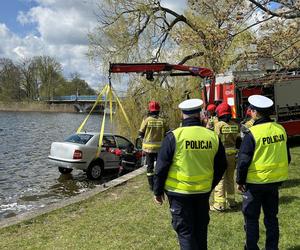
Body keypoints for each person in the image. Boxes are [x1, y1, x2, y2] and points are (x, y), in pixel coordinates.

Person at [153, 98, 227, 250]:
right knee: (201, 233)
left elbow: (161, 168)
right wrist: (210, 184)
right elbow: (222, 166)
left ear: (182, 114)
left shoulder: (174, 136)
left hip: (179, 194)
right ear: (200, 114)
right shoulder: (212, 136)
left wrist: (157, 191)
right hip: (202, 193)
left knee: (185, 233)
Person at [236, 95, 291, 250]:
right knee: (272, 218)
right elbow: (287, 156)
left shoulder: (252, 133)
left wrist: (240, 181)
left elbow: (243, 162)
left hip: (254, 184)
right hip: (274, 183)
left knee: (251, 219)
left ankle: (252, 248)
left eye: (251, 110)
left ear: (255, 112)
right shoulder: (280, 129)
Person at [211, 102, 241, 211]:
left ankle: (219, 205)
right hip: (232, 156)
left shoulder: (219, 125)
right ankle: (231, 202)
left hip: (221, 156)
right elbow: (238, 141)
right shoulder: (235, 125)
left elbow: (215, 141)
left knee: (220, 179)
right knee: (230, 179)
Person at [139, 100, 169, 191]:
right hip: (160, 148)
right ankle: (160, 183)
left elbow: (140, 133)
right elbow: (168, 133)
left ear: (150, 110)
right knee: (160, 166)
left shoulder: (146, 120)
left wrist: (144, 141)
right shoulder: (162, 121)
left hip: (148, 149)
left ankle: (152, 186)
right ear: (158, 110)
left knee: (150, 167)